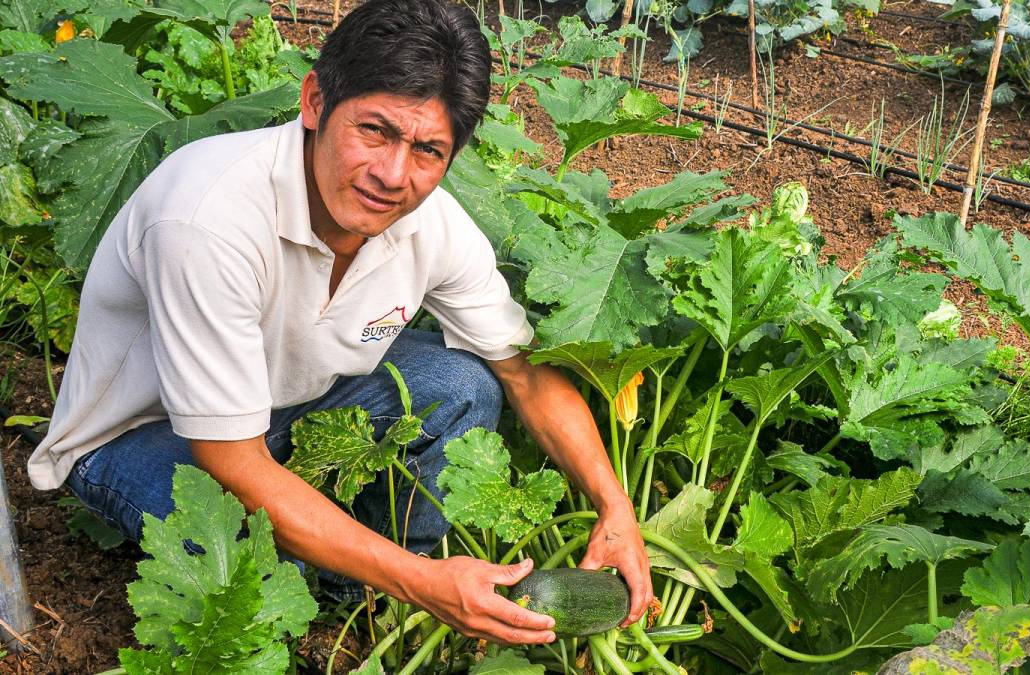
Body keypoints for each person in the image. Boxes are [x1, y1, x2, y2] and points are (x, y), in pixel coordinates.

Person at [25, 0, 651, 645]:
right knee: (266, 568)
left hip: (280, 412)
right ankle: (395, 580)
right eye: (375, 131)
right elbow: (229, 457)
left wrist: (615, 508)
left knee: (466, 384)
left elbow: (527, 377)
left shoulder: (433, 226)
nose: (392, 175)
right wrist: (419, 579)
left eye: (428, 150)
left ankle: (364, 594)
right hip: (147, 437)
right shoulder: (206, 217)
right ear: (315, 102)